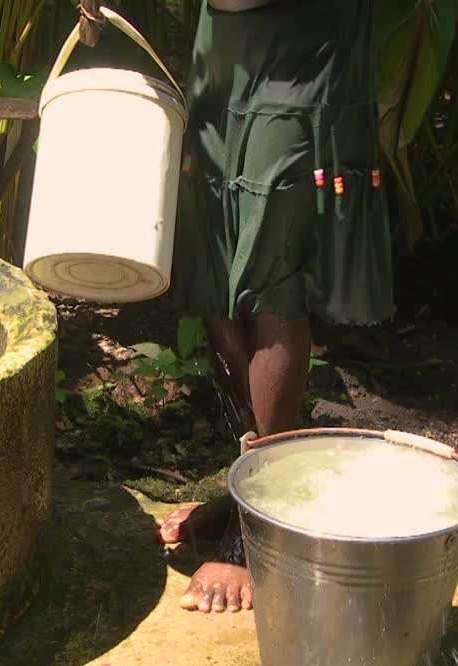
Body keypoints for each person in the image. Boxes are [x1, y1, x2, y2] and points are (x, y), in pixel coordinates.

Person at [154, 0, 395, 613]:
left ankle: (255, 532)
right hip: (225, 43)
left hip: (303, 46)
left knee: (269, 272)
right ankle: (248, 490)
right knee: (216, 254)